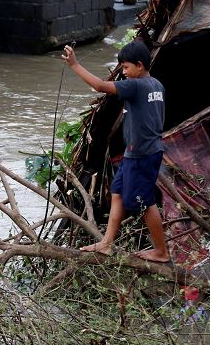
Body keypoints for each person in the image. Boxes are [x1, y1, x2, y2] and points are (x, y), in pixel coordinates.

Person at [61, 41, 169, 263]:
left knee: (144, 202)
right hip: (140, 152)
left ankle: (161, 251)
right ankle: (107, 243)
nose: (124, 73)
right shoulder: (157, 85)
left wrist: (74, 65)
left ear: (140, 65)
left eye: (126, 68)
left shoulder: (136, 86)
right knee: (117, 192)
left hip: (142, 155)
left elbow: (101, 86)